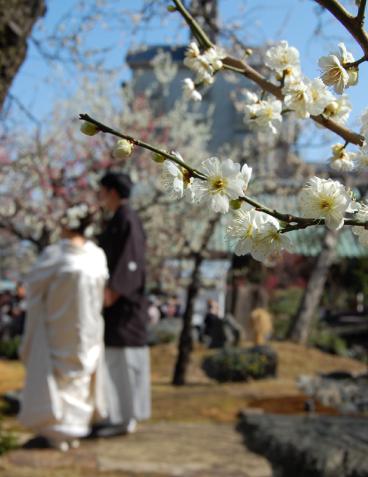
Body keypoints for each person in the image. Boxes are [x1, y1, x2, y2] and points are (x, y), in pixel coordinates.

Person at [18, 204, 108, 451]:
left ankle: (72, 429)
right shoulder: (75, 255)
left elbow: (35, 286)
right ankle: (60, 432)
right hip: (66, 325)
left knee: (77, 378)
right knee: (61, 378)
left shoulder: (79, 255)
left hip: (79, 327)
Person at [96, 172, 151, 437]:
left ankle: (126, 418)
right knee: (115, 362)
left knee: (126, 363)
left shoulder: (127, 218)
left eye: (102, 191)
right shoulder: (119, 219)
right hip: (117, 307)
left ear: (112, 192)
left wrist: (113, 292)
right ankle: (116, 414)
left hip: (125, 305)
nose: (100, 198)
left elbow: (130, 262)